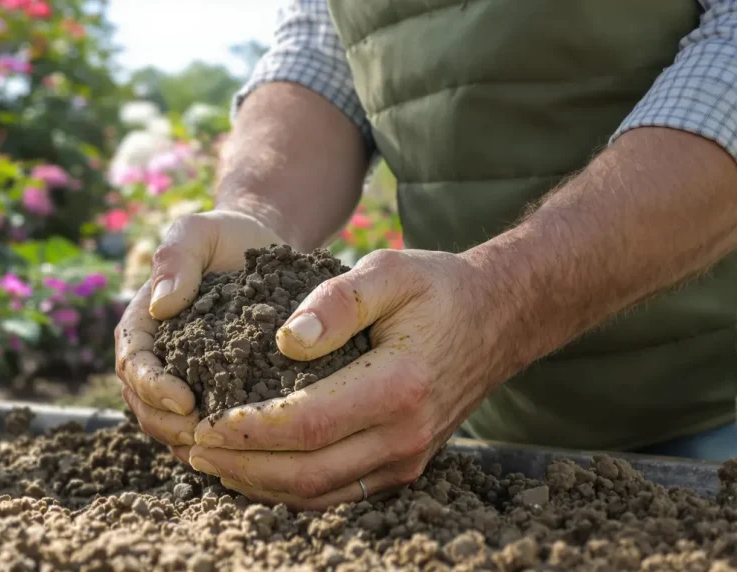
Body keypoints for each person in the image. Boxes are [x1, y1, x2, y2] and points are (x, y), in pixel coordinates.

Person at [114, 0, 737, 510]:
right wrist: (254, 221)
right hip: (476, 435)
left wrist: (505, 298)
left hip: (712, 401)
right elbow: (323, 47)